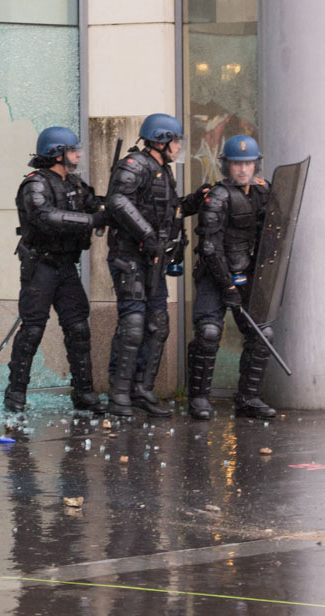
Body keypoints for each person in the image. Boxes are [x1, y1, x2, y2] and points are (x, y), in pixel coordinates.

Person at [103, 113, 209, 418]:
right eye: (176, 140)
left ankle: (143, 391)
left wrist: (193, 202)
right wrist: (147, 235)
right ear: (161, 140)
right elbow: (118, 201)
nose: (178, 147)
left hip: (154, 262)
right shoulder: (134, 166)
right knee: (133, 326)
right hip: (130, 258)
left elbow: (168, 210)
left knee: (157, 325)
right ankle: (119, 394)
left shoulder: (163, 170)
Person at [5, 126, 110, 414]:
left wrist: (111, 205)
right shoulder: (35, 185)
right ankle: (15, 394)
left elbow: (95, 203)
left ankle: (85, 393)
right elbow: (45, 216)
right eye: (73, 149)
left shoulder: (73, 183)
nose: (78, 154)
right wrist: (91, 220)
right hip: (41, 266)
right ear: (56, 153)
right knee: (32, 331)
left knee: (78, 328)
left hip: (66, 267)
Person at [187, 135, 278, 420]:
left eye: (248, 163)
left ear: (256, 165)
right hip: (215, 276)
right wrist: (227, 285)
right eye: (237, 164)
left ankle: (248, 398)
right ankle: (199, 399)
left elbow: (273, 232)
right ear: (227, 166)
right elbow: (210, 248)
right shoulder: (217, 197)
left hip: (246, 271)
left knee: (262, 333)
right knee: (209, 332)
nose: (242, 169)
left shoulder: (263, 192)